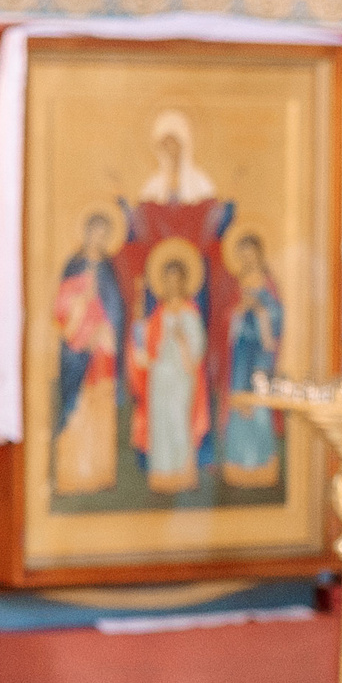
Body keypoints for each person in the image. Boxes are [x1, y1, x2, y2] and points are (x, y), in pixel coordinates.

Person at [129, 240, 210, 495]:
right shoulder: (158, 313)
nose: (172, 284)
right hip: (159, 377)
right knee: (160, 424)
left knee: (178, 421)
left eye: (177, 279)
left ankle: (183, 475)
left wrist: (182, 340)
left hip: (181, 378)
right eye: (167, 279)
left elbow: (196, 351)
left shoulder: (189, 313)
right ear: (162, 282)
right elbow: (145, 339)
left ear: (184, 281)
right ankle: (162, 475)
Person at [52, 210, 124, 496]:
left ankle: (98, 473)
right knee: (78, 409)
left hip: (102, 351)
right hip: (76, 349)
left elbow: (116, 309)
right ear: (86, 233)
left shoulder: (108, 269)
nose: (99, 238)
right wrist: (81, 307)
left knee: (99, 409)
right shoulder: (74, 266)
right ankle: (74, 475)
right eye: (95, 231)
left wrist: (104, 330)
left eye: (105, 233)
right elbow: (60, 309)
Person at [219, 232, 284, 487]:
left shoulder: (268, 285)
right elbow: (227, 322)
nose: (247, 260)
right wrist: (237, 312)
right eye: (242, 255)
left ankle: (261, 466)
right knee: (238, 405)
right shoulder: (238, 284)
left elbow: (277, 319)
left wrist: (259, 312)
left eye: (251, 254)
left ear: (259, 255)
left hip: (260, 356)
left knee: (257, 407)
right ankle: (237, 466)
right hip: (240, 355)